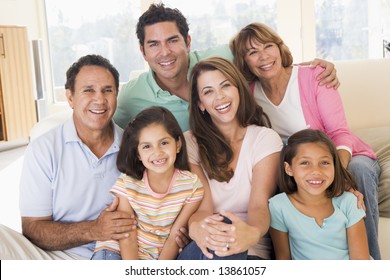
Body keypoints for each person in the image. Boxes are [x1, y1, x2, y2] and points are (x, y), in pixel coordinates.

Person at [230, 22, 381, 259]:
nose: (263, 56)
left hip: (341, 156)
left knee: (359, 170)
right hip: (297, 164)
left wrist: (338, 176)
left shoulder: (314, 77)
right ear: (244, 61)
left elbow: (340, 133)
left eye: (268, 46)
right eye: (252, 52)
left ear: (279, 48)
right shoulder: (248, 94)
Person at [113, 2, 339, 132]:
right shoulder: (131, 96)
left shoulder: (222, 57)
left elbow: (265, 59)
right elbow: (108, 133)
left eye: (172, 40)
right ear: (142, 51)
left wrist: (313, 70)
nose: (165, 52)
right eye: (153, 44)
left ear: (188, 42)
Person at [177, 57, 283, 260]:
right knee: (223, 231)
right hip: (206, 248)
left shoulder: (264, 139)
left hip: (251, 250)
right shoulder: (190, 143)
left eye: (225, 86)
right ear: (200, 104)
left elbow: (259, 205)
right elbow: (203, 208)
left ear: (238, 90)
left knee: (229, 235)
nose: (220, 97)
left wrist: (250, 234)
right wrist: (195, 228)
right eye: (208, 92)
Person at [91, 106, 204, 260]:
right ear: (138, 154)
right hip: (118, 249)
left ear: (177, 144)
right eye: (147, 146)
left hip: (157, 256)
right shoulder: (127, 184)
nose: (157, 152)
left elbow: (174, 238)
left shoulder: (192, 186)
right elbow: (127, 234)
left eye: (164, 143)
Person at [269, 129, 371, 260]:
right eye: (305, 163)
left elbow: (361, 263)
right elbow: (283, 260)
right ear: (289, 169)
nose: (316, 171)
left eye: (324, 162)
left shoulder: (349, 202)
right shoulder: (278, 206)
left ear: (335, 166)